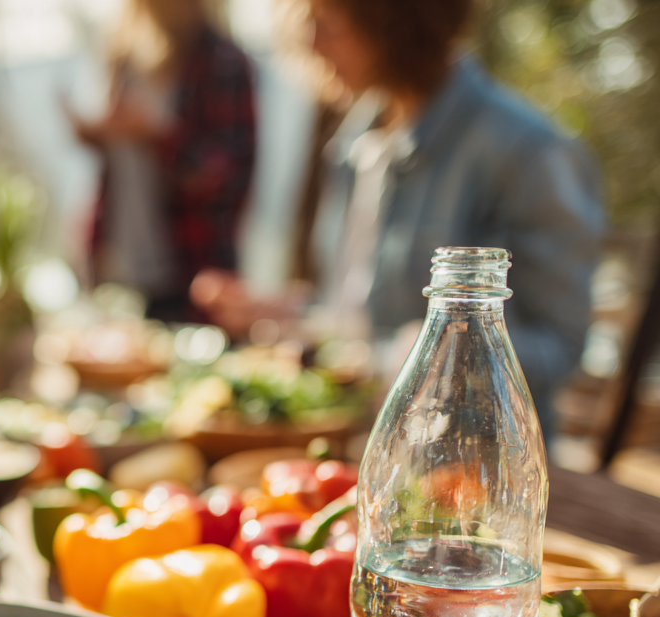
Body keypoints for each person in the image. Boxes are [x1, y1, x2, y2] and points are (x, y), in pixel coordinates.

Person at [206, 0, 604, 438]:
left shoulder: (528, 153)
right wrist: (286, 311)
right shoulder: (355, 140)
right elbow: (359, 316)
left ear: (398, 21)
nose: (311, 43)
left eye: (328, 24)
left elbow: (560, 348)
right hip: (356, 434)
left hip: (468, 456)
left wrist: (439, 348)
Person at [69, 0, 256, 323]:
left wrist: (159, 135)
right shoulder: (123, 56)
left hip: (190, 273)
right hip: (118, 267)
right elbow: (118, 168)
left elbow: (227, 178)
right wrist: (97, 134)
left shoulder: (222, 62)